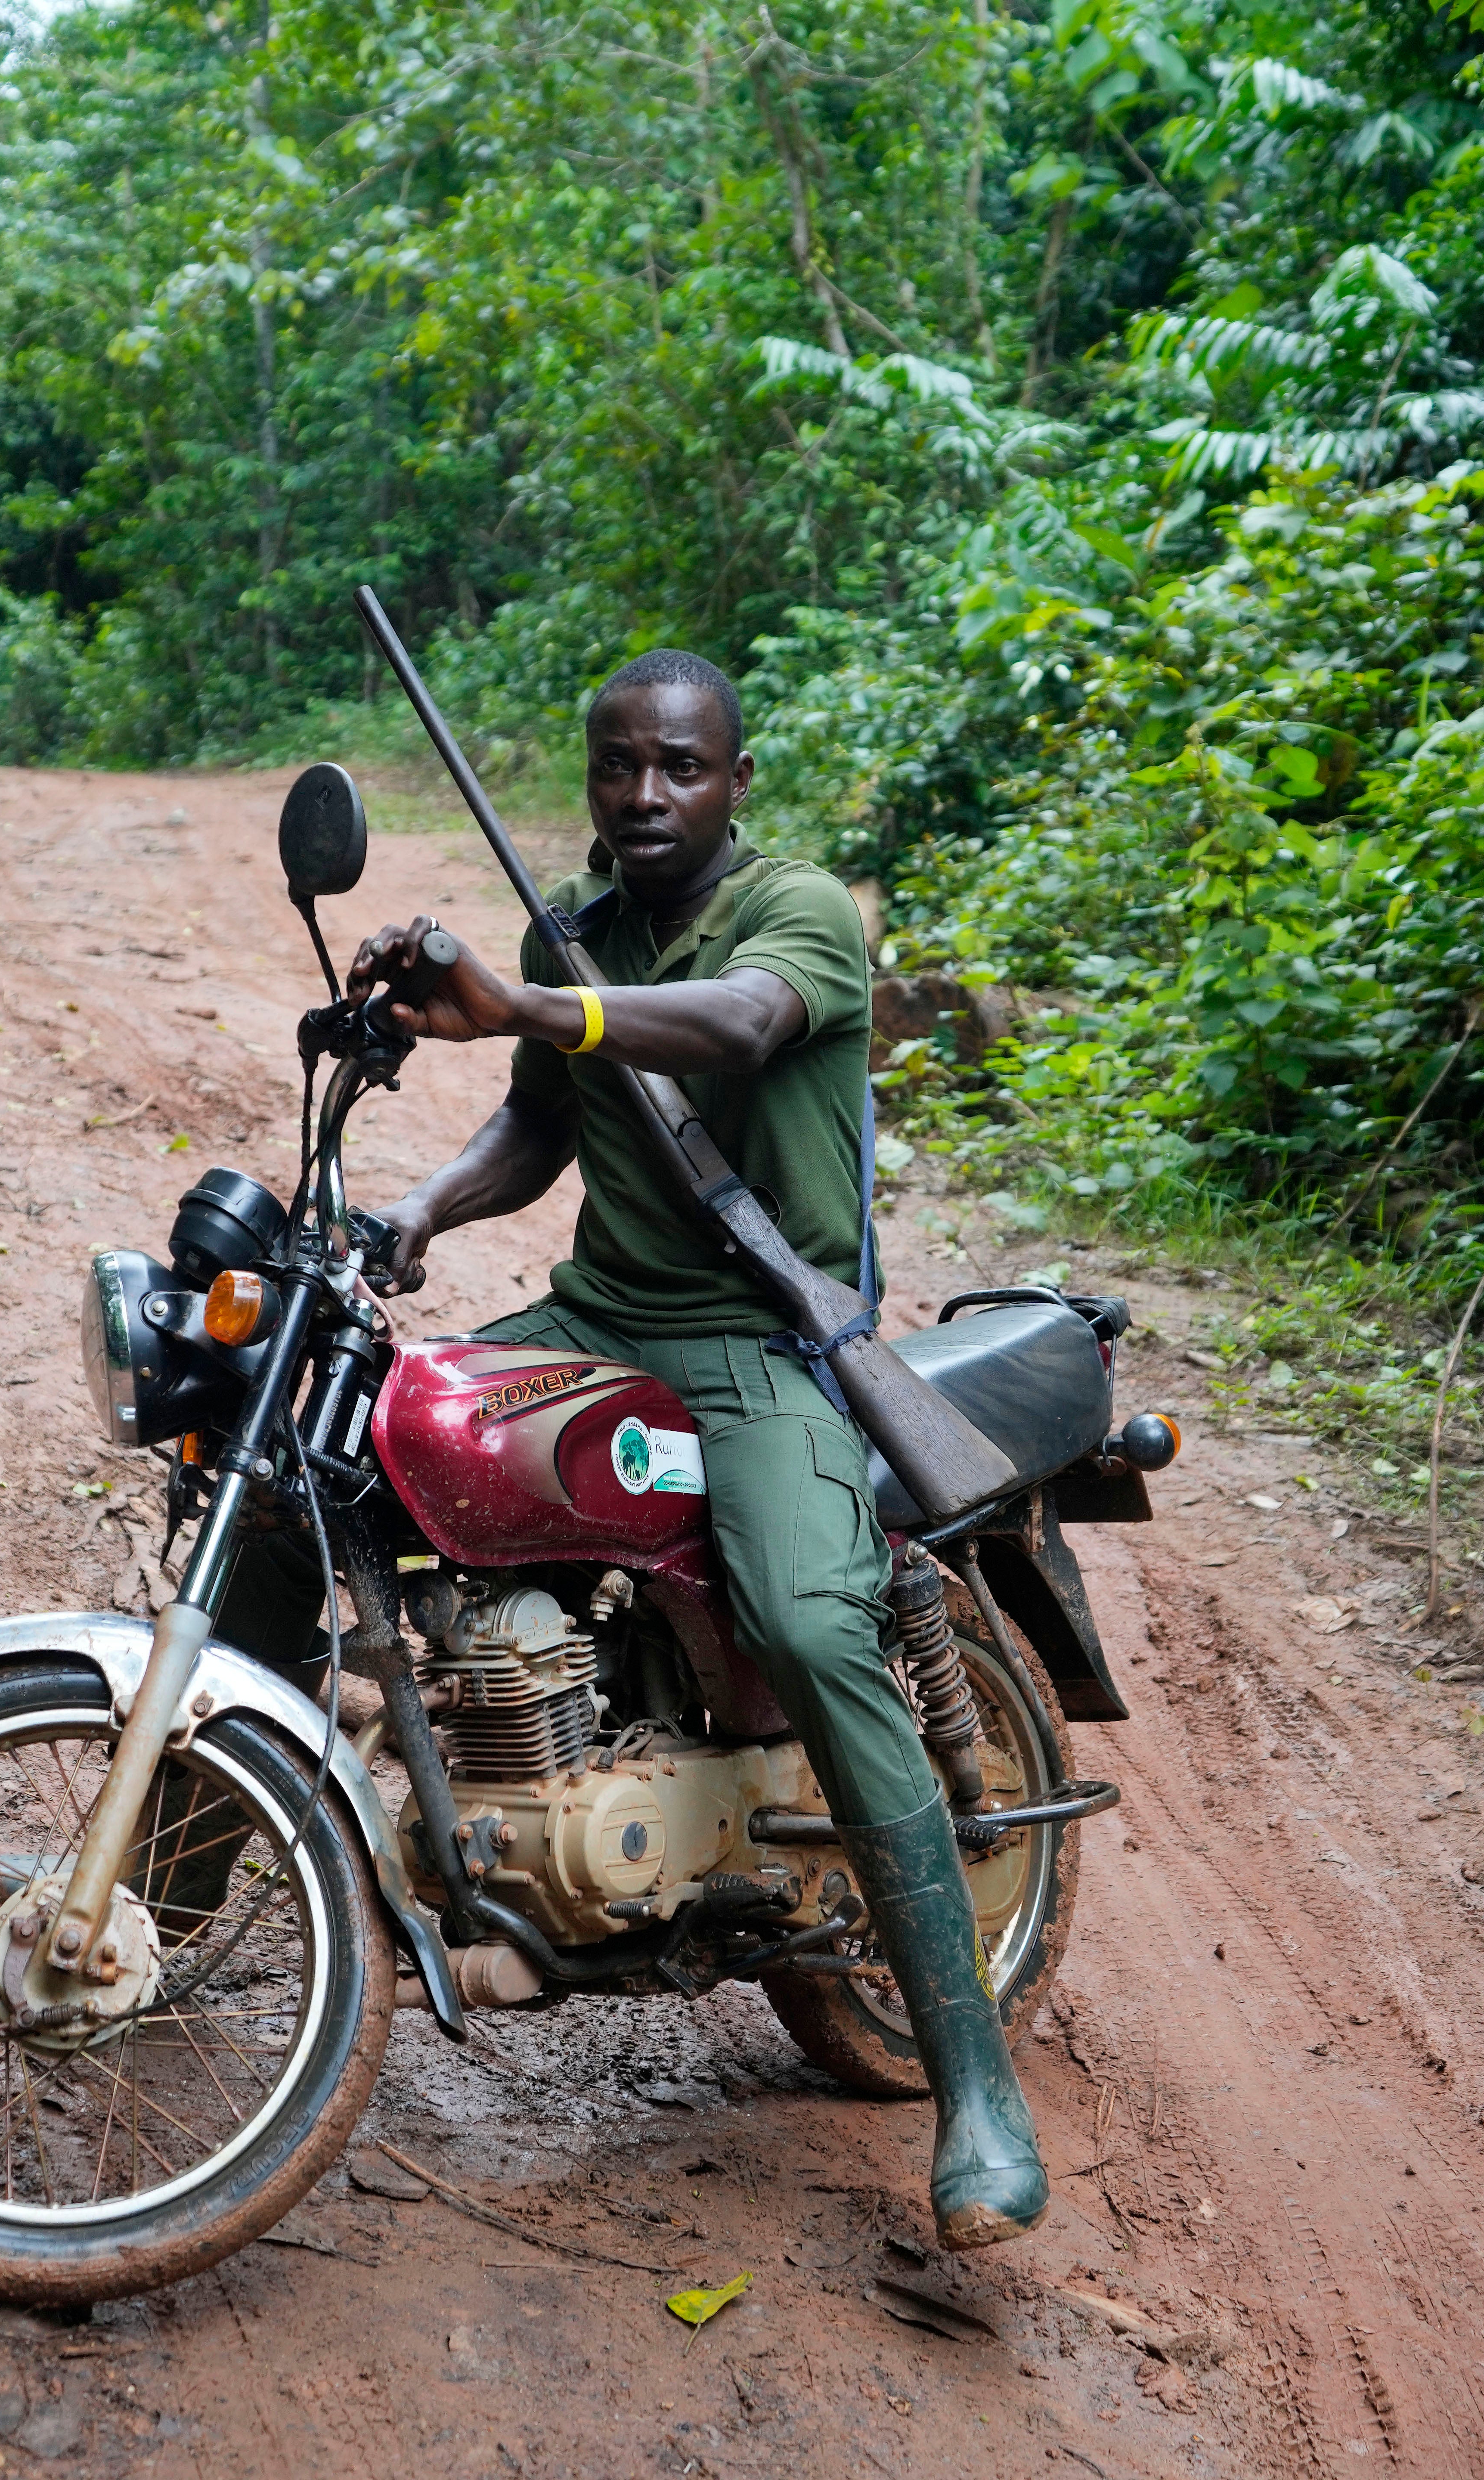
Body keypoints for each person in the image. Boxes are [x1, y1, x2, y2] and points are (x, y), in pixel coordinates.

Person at [341, 648, 1045, 2252]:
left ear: (736, 781)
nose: (644, 796)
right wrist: (418, 1211)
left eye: (679, 768)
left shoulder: (800, 914)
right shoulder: (572, 925)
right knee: (349, 1453)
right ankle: (167, 1902)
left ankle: (976, 2082)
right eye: (617, 767)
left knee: (811, 1621)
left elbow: (730, 1027)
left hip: (765, 1345)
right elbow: (545, 1116)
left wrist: (533, 998)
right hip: (600, 1311)